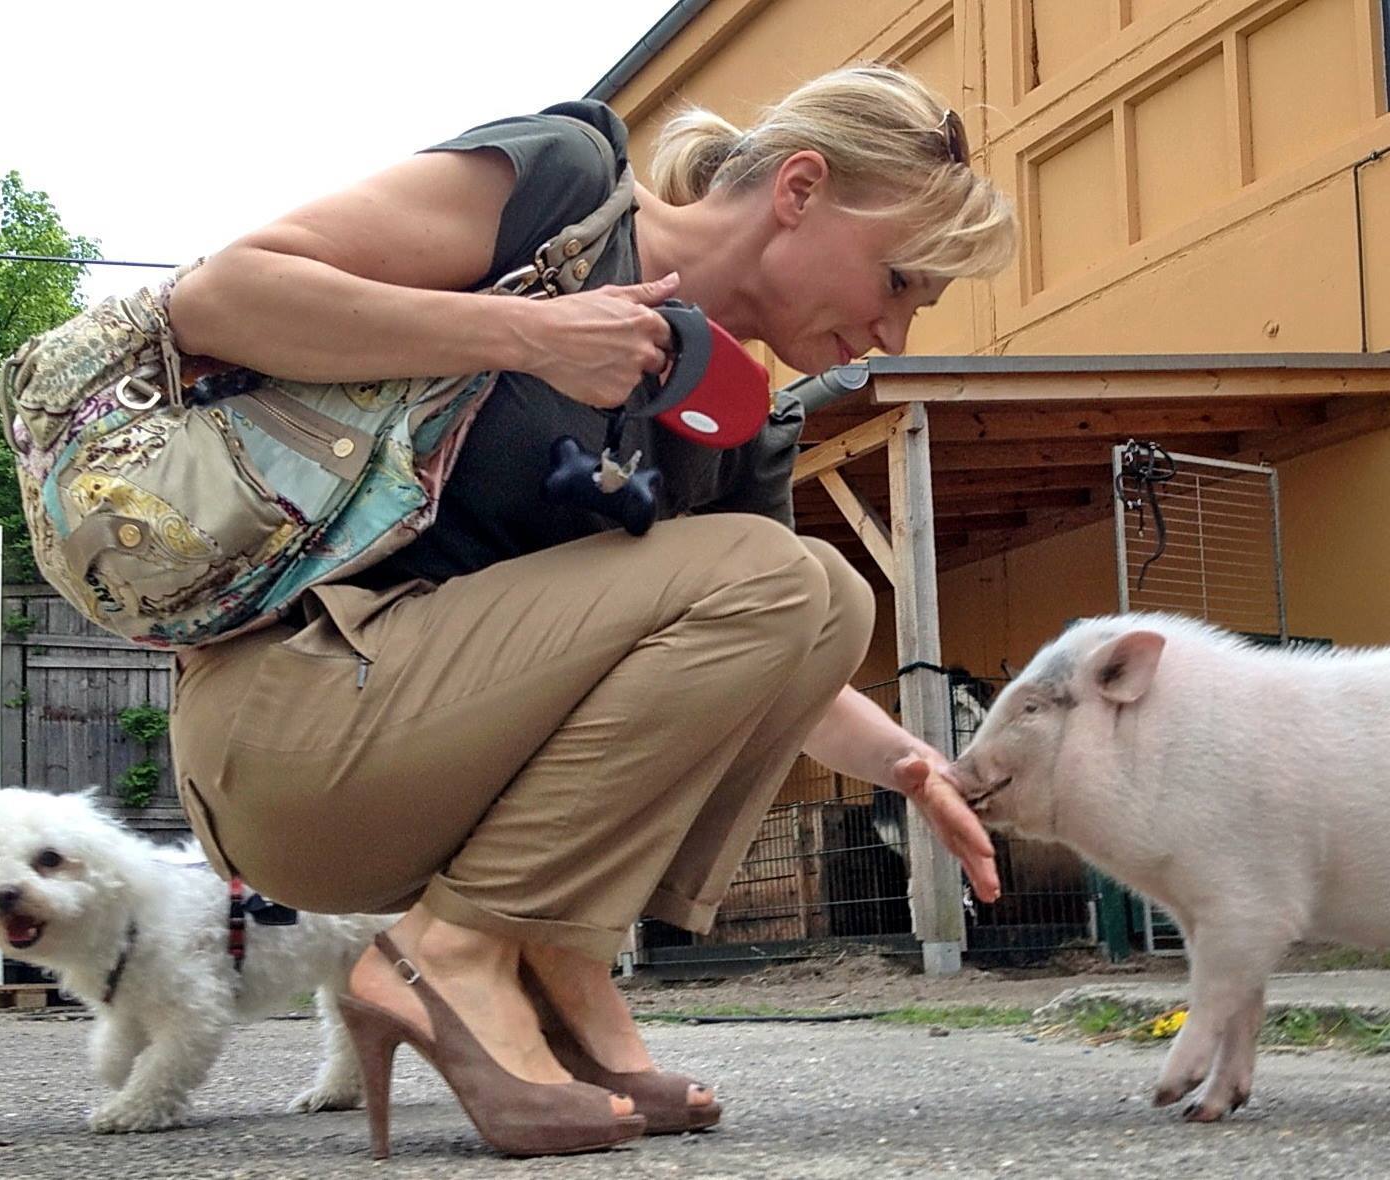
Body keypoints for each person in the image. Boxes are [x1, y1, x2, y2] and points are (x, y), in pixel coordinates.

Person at [164, 64, 1016, 1158]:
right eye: (895, 282)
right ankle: (452, 959)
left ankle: (550, 965)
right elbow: (217, 298)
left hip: (419, 758)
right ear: (799, 190)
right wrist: (526, 334)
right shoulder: (566, 190)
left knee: (822, 598)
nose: (892, 333)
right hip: (286, 722)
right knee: (782, 574)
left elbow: (755, 647)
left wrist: (910, 764)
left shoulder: (738, 420)